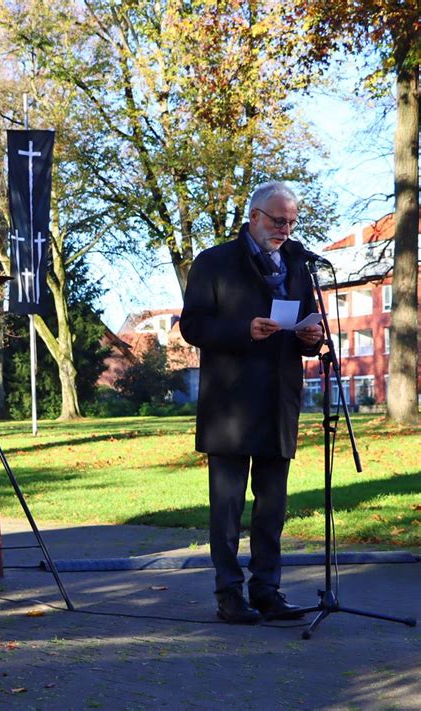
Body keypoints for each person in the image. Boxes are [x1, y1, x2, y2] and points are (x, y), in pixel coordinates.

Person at [179, 182, 323, 624]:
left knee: (271, 508)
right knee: (227, 510)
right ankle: (228, 595)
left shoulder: (299, 263)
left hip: (278, 402)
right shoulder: (214, 262)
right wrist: (245, 329)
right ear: (255, 216)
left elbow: (309, 332)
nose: (285, 229)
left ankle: (268, 590)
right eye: (279, 220)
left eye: (292, 222)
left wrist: (312, 339)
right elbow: (193, 326)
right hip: (231, 405)